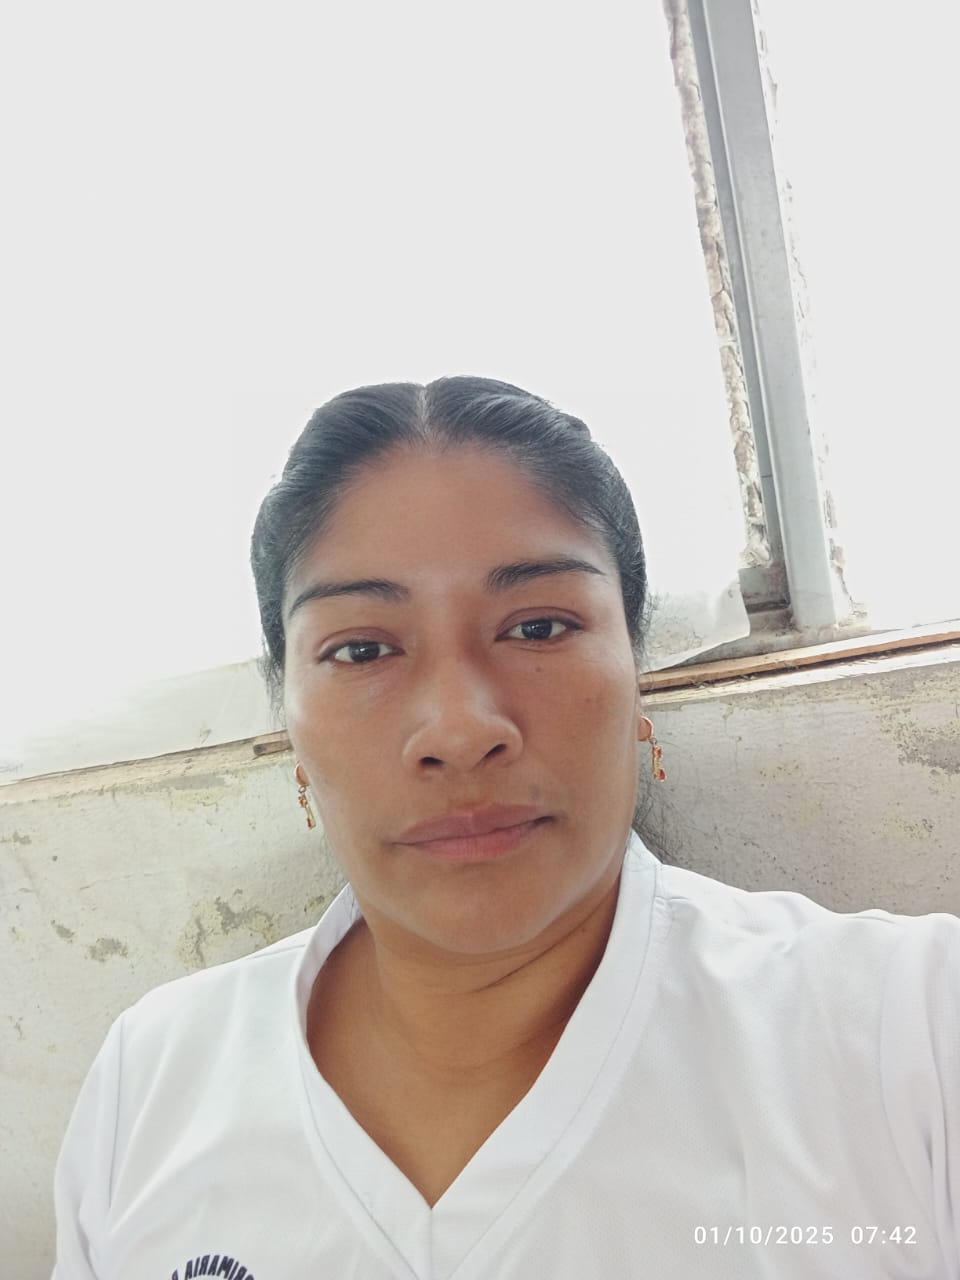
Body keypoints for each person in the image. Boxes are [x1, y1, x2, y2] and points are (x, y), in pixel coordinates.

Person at [52, 377, 958, 1279]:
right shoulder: (153, 1079)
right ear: (287, 718)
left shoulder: (908, 1031)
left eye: (538, 627)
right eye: (362, 649)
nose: (459, 729)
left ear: (636, 673)